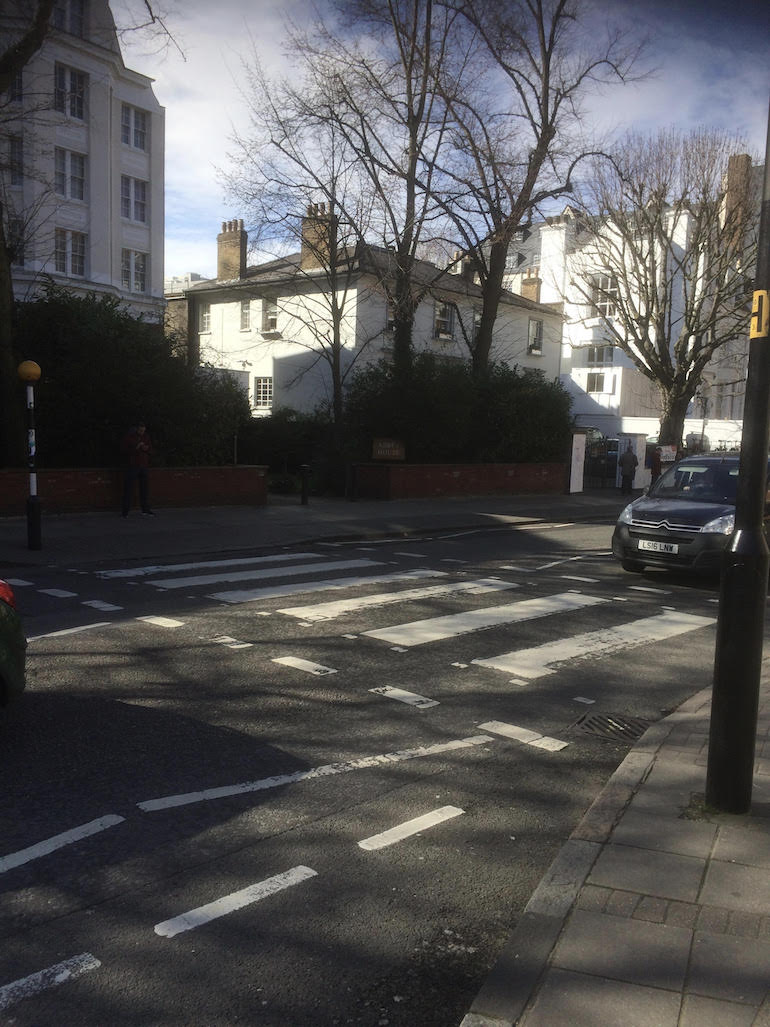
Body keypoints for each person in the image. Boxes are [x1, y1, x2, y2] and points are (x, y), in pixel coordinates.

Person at [121, 420, 155, 516]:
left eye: (143, 430)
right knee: (129, 489)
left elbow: (152, 450)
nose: (142, 432)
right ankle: (125, 511)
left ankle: (145, 509)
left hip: (144, 466)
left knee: (145, 489)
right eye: (140, 430)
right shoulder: (129, 437)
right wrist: (136, 447)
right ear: (137, 429)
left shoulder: (146, 437)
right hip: (132, 466)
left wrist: (147, 448)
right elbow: (124, 450)